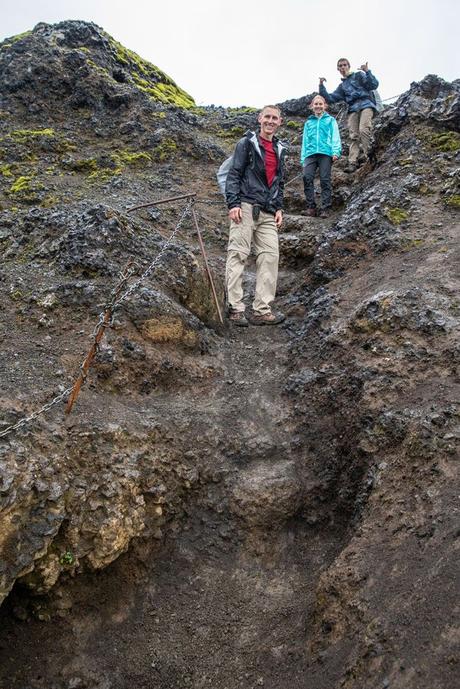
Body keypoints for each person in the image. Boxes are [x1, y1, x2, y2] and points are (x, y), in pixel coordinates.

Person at [224, 105, 287, 327]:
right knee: (238, 253)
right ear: (259, 119)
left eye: (275, 118)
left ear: (280, 122)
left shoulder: (280, 148)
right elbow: (234, 174)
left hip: (268, 210)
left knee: (270, 256)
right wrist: (233, 203)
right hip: (245, 205)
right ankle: (235, 308)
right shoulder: (246, 144)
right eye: (267, 117)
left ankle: (261, 310)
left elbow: (279, 181)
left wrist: (279, 207)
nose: (270, 121)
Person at [319, 59, 379, 172]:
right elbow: (330, 98)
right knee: (353, 136)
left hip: (366, 104)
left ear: (349, 66)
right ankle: (352, 162)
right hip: (352, 109)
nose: (342, 67)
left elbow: (373, 84)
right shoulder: (342, 86)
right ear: (338, 69)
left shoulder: (359, 75)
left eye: (344, 65)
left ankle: (369, 156)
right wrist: (321, 86)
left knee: (363, 129)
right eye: (340, 66)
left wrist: (367, 71)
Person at [301, 95, 341, 218]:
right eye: (316, 104)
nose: (318, 106)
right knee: (307, 178)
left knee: (325, 180)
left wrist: (336, 151)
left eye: (320, 104)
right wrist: (303, 157)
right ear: (312, 106)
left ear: (325, 106)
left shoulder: (330, 120)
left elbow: (335, 135)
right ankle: (311, 208)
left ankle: (325, 208)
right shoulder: (308, 122)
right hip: (310, 154)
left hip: (325, 153)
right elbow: (305, 140)